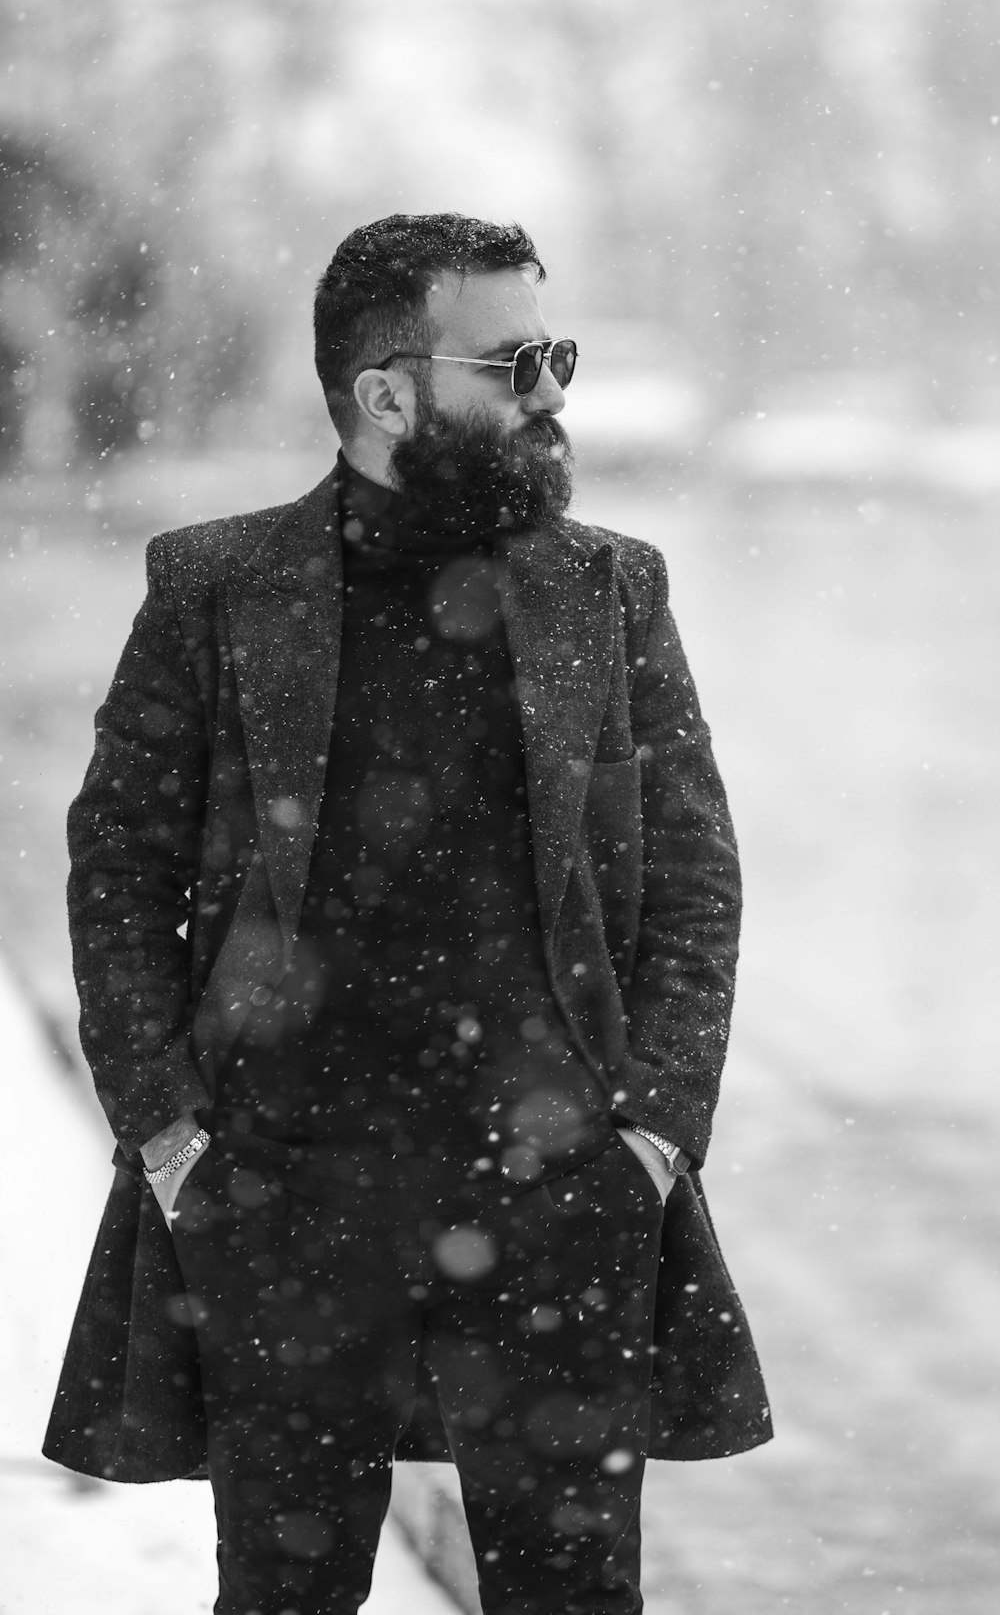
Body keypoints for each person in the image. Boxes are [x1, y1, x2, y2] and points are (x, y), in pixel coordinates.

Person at [44, 213, 771, 1615]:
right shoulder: (218, 586)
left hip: (562, 1197)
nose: (554, 391)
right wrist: (172, 1132)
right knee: (284, 1596)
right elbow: (118, 871)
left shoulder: (608, 588)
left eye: (557, 352)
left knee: (572, 1600)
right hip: (282, 1196)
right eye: (512, 362)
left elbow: (693, 874)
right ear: (385, 392)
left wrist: (657, 1135)